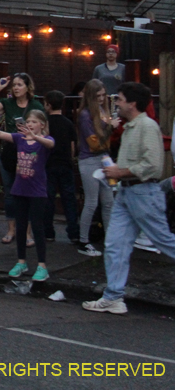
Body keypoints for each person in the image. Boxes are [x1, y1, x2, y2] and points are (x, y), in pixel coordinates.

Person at [82, 82, 175, 315]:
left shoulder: (147, 126)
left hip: (143, 193)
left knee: (165, 241)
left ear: (132, 103)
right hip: (127, 192)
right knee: (115, 245)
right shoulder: (132, 126)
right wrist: (116, 173)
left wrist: (119, 172)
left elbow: (153, 166)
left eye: (120, 99)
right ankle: (113, 297)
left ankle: (113, 296)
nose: (117, 103)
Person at [0, 108, 55, 282]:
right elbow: (0, 134)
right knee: (21, 226)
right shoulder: (19, 138)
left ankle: (42, 265)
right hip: (20, 189)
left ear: (42, 125)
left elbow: (50, 144)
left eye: (34, 122)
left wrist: (35, 136)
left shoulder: (45, 140)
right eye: (28, 121)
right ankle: (21, 261)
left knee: (37, 227)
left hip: (37, 190)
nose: (30, 124)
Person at [0, 73, 44, 245]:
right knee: (10, 192)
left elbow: (45, 130)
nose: (16, 88)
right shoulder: (7, 104)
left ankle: (28, 233)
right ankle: (11, 229)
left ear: (27, 87)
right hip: (9, 152)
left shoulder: (35, 105)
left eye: (20, 85)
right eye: (14, 85)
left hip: (28, 153)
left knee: (27, 193)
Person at [75, 79, 119, 257]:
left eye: (103, 95)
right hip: (90, 160)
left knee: (109, 201)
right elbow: (93, 142)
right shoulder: (85, 115)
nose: (101, 98)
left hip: (103, 158)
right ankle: (83, 241)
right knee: (92, 202)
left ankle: (110, 239)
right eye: (98, 96)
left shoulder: (101, 111)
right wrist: (110, 128)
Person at [42, 90, 80, 244]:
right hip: (65, 164)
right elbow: (72, 147)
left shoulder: (45, 124)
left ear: (49, 105)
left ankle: (49, 232)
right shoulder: (68, 123)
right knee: (69, 199)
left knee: (48, 200)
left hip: (49, 164)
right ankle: (73, 232)